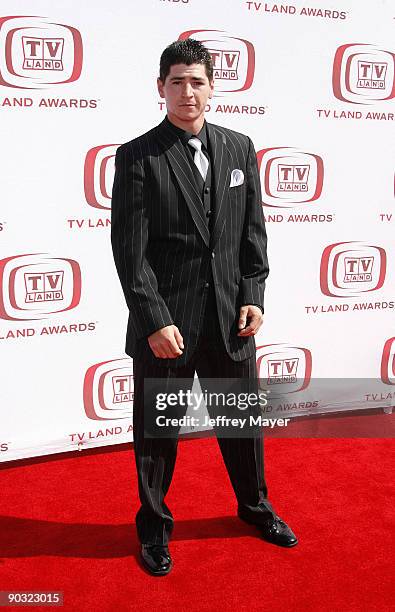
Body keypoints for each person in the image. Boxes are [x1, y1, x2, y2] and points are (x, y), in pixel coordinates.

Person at [111, 38, 297, 576]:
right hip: (165, 328)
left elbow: (251, 236)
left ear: (213, 86)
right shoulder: (138, 155)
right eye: (176, 82)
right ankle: (153, 531)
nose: (187, 92)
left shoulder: (240, 148)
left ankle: (255, 509)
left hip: (230, 323)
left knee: (242, 426)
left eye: (197, 81)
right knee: (157, 435)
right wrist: (154, 319)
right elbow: (130, 250)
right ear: (160, 88)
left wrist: (253, 298)